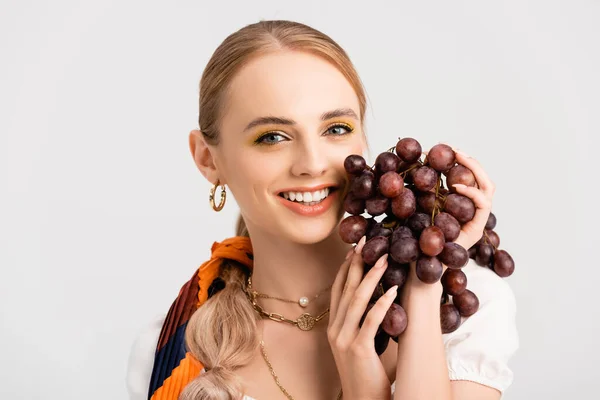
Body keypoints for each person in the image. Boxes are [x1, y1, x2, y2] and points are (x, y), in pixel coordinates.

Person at [126, 20, 518, 400]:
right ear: (208, 159)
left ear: (362, 137)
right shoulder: (167, 353)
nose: (312, 163)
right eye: (273, 137)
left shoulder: (463, 310)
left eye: (335, 129)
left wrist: (422, 291)